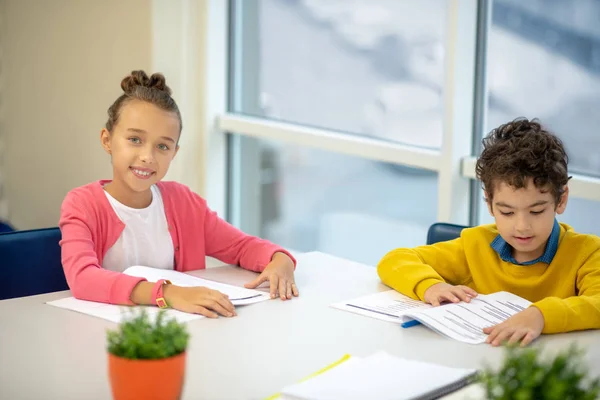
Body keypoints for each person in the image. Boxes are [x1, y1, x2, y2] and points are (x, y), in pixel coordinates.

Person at [59, 70, 298, 318]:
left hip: (180, 330)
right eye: (134, 139)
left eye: (162, 146)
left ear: (174, 152)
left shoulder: (183, 203)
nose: (147, 157)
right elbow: (83, 278)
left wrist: (280, 259)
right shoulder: (82, 204)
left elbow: (241, 247)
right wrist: (169, 294)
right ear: (107, 140)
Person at [377, 118, 600, 346]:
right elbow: (394, 260)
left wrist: (540, 315)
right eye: (507, 212)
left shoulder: (587, 252)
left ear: (561, 200)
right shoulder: (475, 245)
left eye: (536, 211)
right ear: (489, 204)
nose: (522, 226)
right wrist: (431, 286)